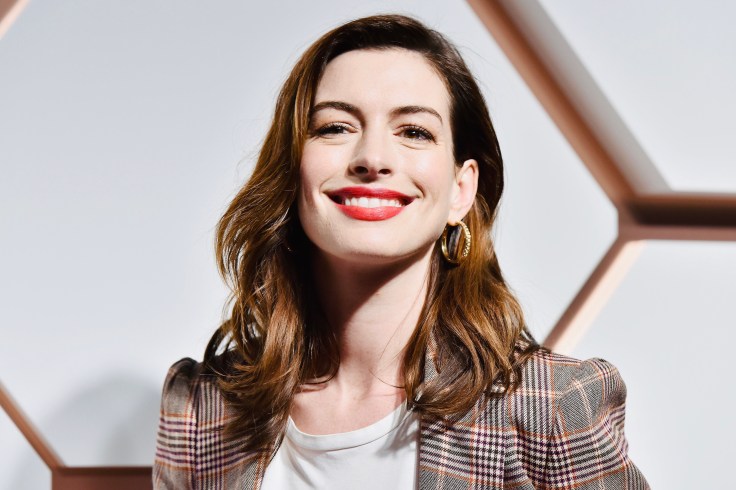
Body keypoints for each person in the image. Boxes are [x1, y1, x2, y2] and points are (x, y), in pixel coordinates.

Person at [154, 14, 648, 489]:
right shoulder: (201, 407)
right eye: (334, 127)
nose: (372, 158)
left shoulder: (553, 407)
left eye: (414, 132)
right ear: (292, 170)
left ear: (461, 189)